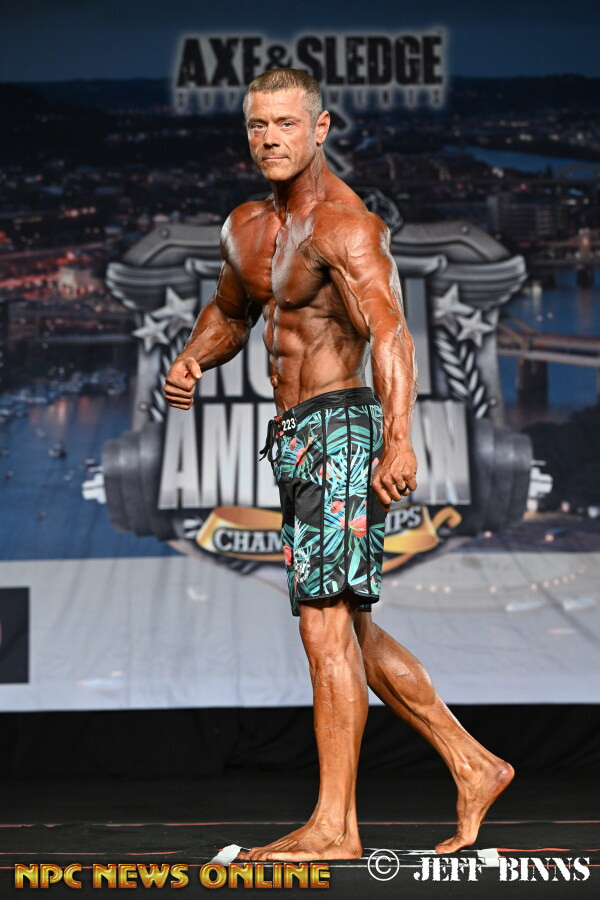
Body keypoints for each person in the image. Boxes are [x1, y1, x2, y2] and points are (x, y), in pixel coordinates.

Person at [163, 68, 514, 862]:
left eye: (286, 123)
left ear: (320, 129)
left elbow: (390, 331)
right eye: (258, 125)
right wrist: (191, 359)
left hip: (343, 430)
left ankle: (334, 828)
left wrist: (399, 438)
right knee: (347, 624)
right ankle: (473, 764)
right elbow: (231, 311)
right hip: (292, 436)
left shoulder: (347, 226)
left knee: (322, 627)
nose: (270, 139)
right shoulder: (247, 226)